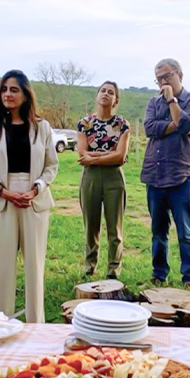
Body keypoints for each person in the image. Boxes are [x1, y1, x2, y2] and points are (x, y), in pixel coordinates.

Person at [0, 70, 58, 324]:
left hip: (34, 199)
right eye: (4, 90)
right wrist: (3, 190)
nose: (8, 94)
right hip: (0, 198)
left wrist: (36, 188)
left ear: (25, 94)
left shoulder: (41, 127)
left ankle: (35, 325)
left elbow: (51, 165)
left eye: (14, 89)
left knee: (34, 267)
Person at [141, 58, 190, 289]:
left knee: (185, 230)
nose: (162, 82)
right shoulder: (152, 102)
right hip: (155, 174)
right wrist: (174, 125)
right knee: (158, 231)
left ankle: (189, 277)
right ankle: (159, 274)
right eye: (158, 78)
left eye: (166, 76)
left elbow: (187, 124)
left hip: (181, 174)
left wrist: (171, 100)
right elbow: (149, 128)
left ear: (179, 74)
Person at [77, 81, 131, 279]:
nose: (106, 94)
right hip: (90, 177)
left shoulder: (122, 124)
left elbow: (120, 157)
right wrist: (105, 154)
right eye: (103, 90)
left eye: (111, 92)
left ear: (116, 100)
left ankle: (113, 270)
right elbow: (83, 156)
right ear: (97, 95)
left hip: (114, 178)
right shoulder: (84, 123)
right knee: (91, 225)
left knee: (114, 226)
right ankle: (89, 266)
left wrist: (95, 156)